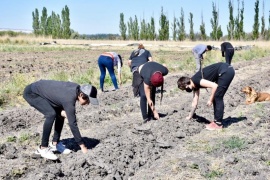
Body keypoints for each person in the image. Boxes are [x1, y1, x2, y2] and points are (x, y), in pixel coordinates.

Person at [23, 80, 99, 160]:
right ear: (81, 95)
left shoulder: (75, 89)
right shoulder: (69, 99)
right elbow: (73, 124)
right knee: (51, 114)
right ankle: (43, 148)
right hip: (32, 93)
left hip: (42, 91)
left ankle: (55, 144)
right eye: (88, 100)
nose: (88, 103)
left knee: (61, 113)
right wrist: (83, 146)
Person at [177, 62, 235, 130]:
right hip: (225, 70)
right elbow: (195, 101)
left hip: (226, 71)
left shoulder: (196, 80)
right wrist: (190, 116)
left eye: (185, 88)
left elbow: (214, 86)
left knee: (218, 96)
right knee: (216, 96)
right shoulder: (194, 85)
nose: (186, 90)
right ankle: (216, 121)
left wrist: (210, 100)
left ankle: (218, 124)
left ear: (187, 85)